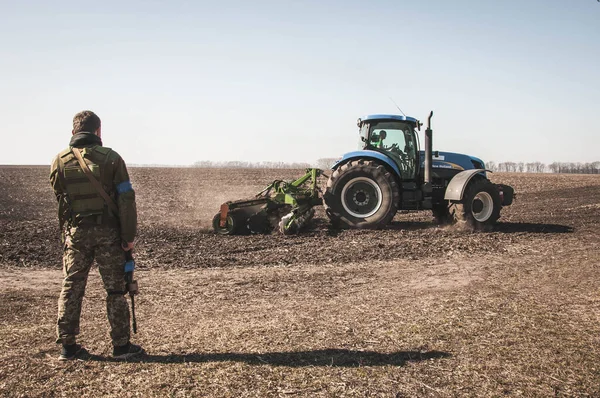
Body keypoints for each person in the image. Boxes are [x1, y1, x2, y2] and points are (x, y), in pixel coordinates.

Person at [50, 110, 143, 360]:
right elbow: (126, 199)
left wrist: (67, 234)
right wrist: (128, 235)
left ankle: (68, 346)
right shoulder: (111, 159)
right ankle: (121, 346)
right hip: (108, 235)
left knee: (71, 286)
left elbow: (62, 201)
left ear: (73, 132)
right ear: (98, 131)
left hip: (76, 234)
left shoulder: (59, 162)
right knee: (115, 290)